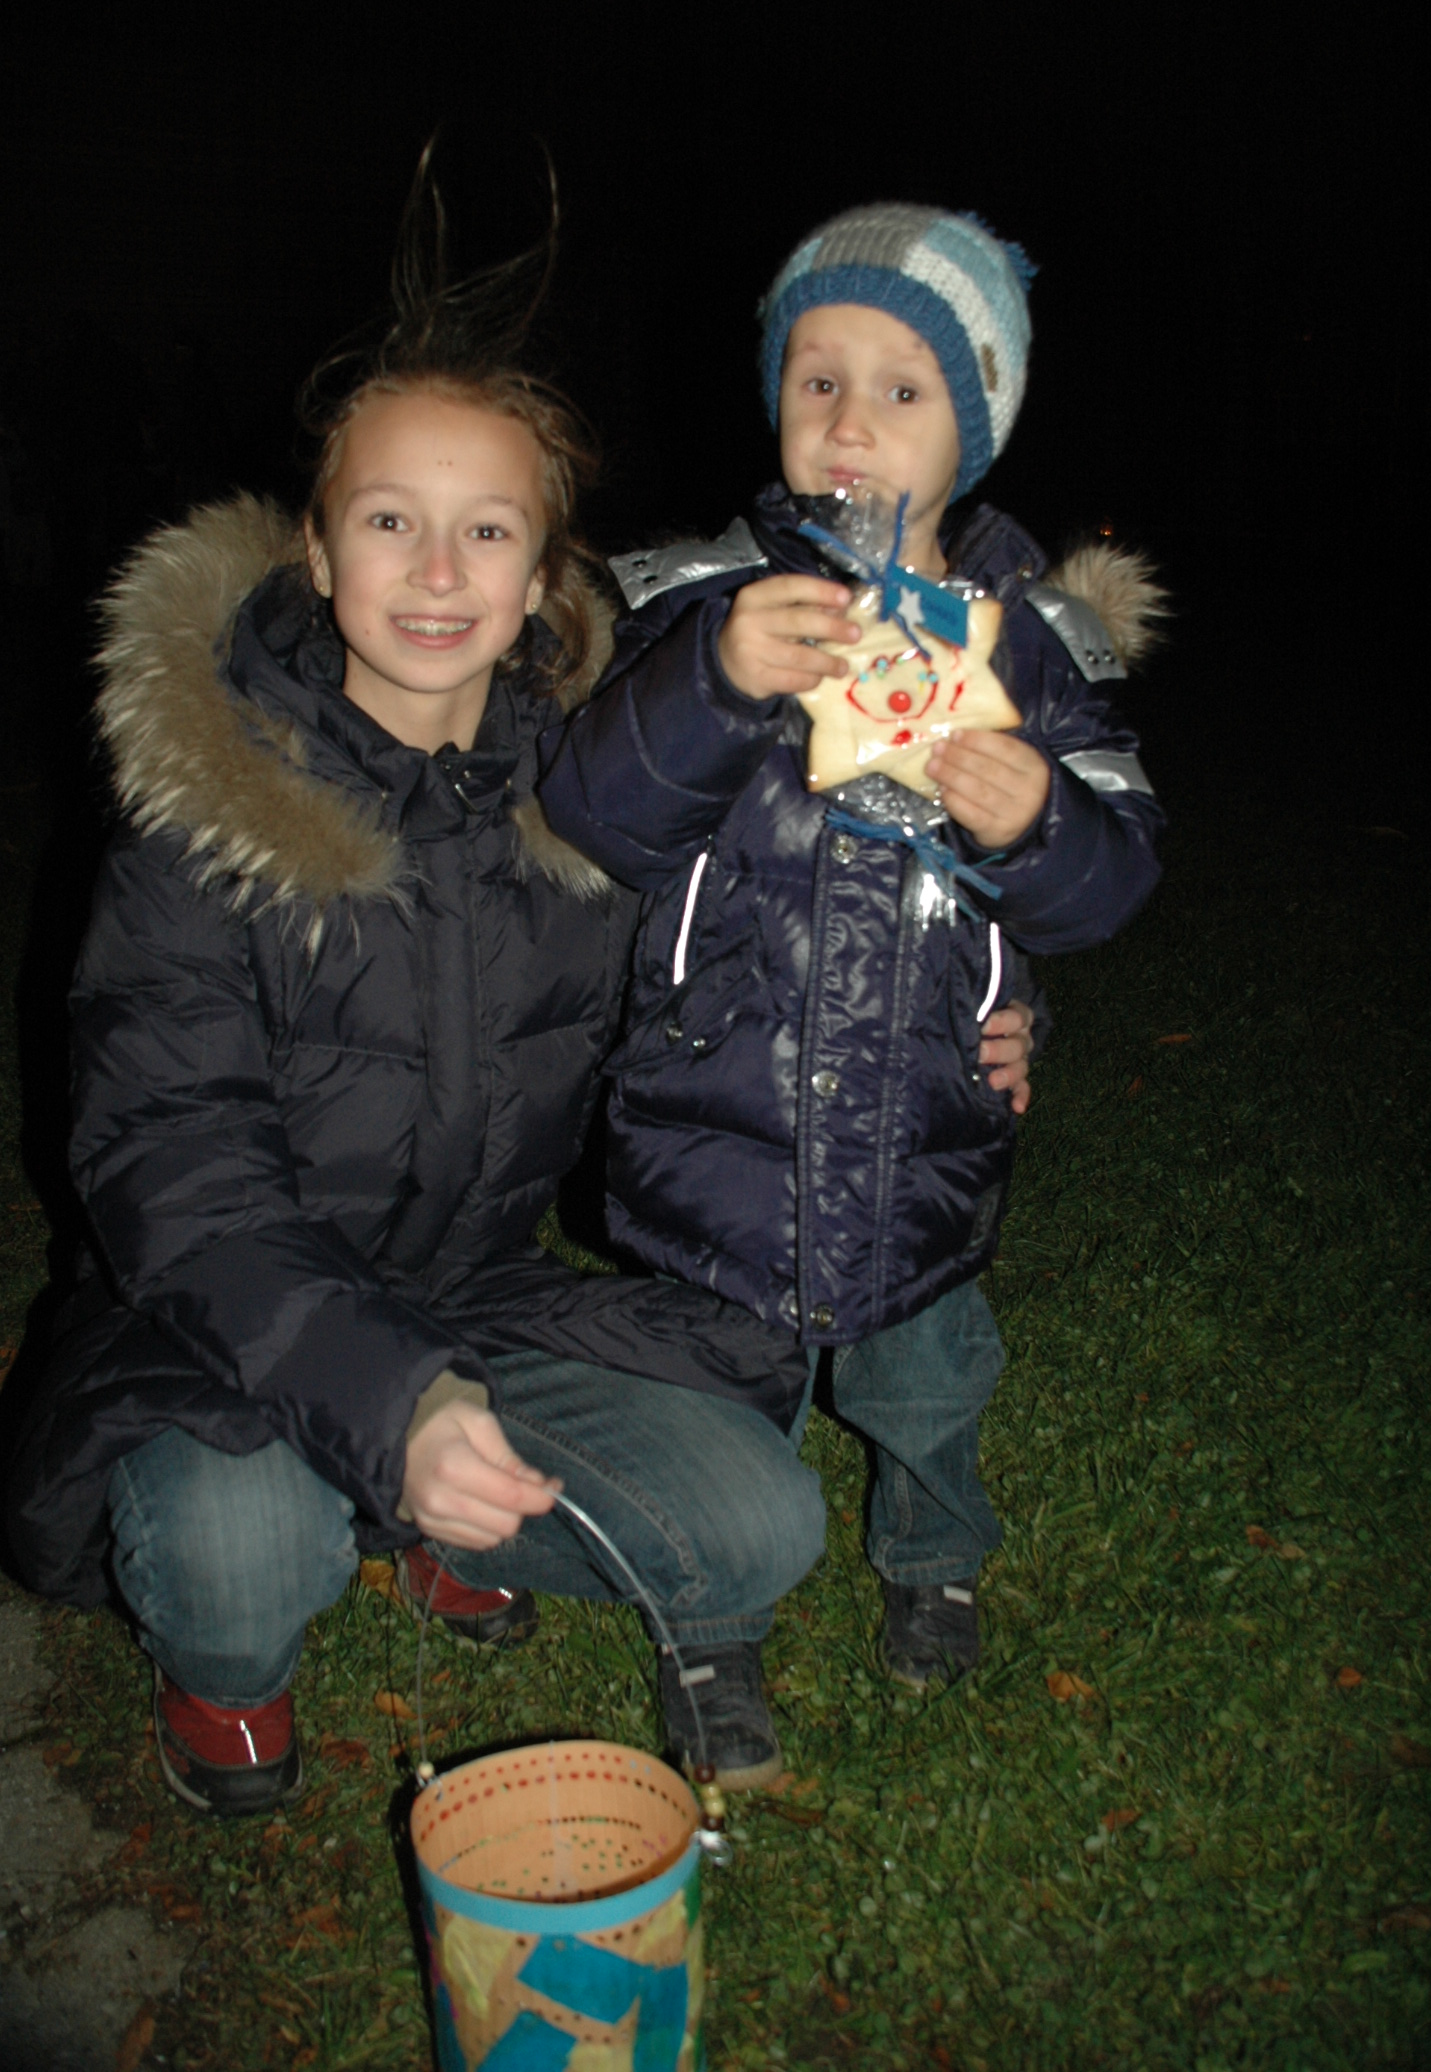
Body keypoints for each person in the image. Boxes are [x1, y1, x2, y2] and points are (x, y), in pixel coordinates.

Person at [3, 207, 858, 1812]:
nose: (439, 573)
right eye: (391, 520)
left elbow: (744, 1002)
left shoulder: (595, 805)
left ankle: (424, 1509)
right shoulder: (205, 814)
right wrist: (393, 1397)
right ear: (319, 555)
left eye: (488, 531)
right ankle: (230, 1662)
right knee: (246, 1550)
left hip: (472, 1294)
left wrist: (960, 1035)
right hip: (214, 1319)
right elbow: (173, 1171)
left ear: (542, 579)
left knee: (760, 1521)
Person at [539, 203, 1166, 1747]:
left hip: (919, 1119)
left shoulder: (1030, 648)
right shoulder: (705, 604)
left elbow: (1116, 879)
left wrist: (1041, 821)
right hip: (717, 1111)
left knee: (929, 1371)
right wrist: (713, 683)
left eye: (903, 388)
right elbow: (595, 813)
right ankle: (710, 1631)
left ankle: (934, 1557)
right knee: (708, 1398)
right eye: (817, 379)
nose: (850, 422)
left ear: (980, 424)